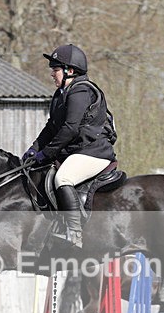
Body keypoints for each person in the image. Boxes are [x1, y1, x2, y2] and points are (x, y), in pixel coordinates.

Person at [22, 44, 117, 249]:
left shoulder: (81, 91)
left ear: (70, 71)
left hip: (93, 152)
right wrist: (34, 149)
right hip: (76, 151)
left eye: (55, 69)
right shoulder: (61, 94)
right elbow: (51, 127)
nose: (52, 74)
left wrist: (46, 153)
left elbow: (70, 129)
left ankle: (74, 233)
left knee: (63, 178)